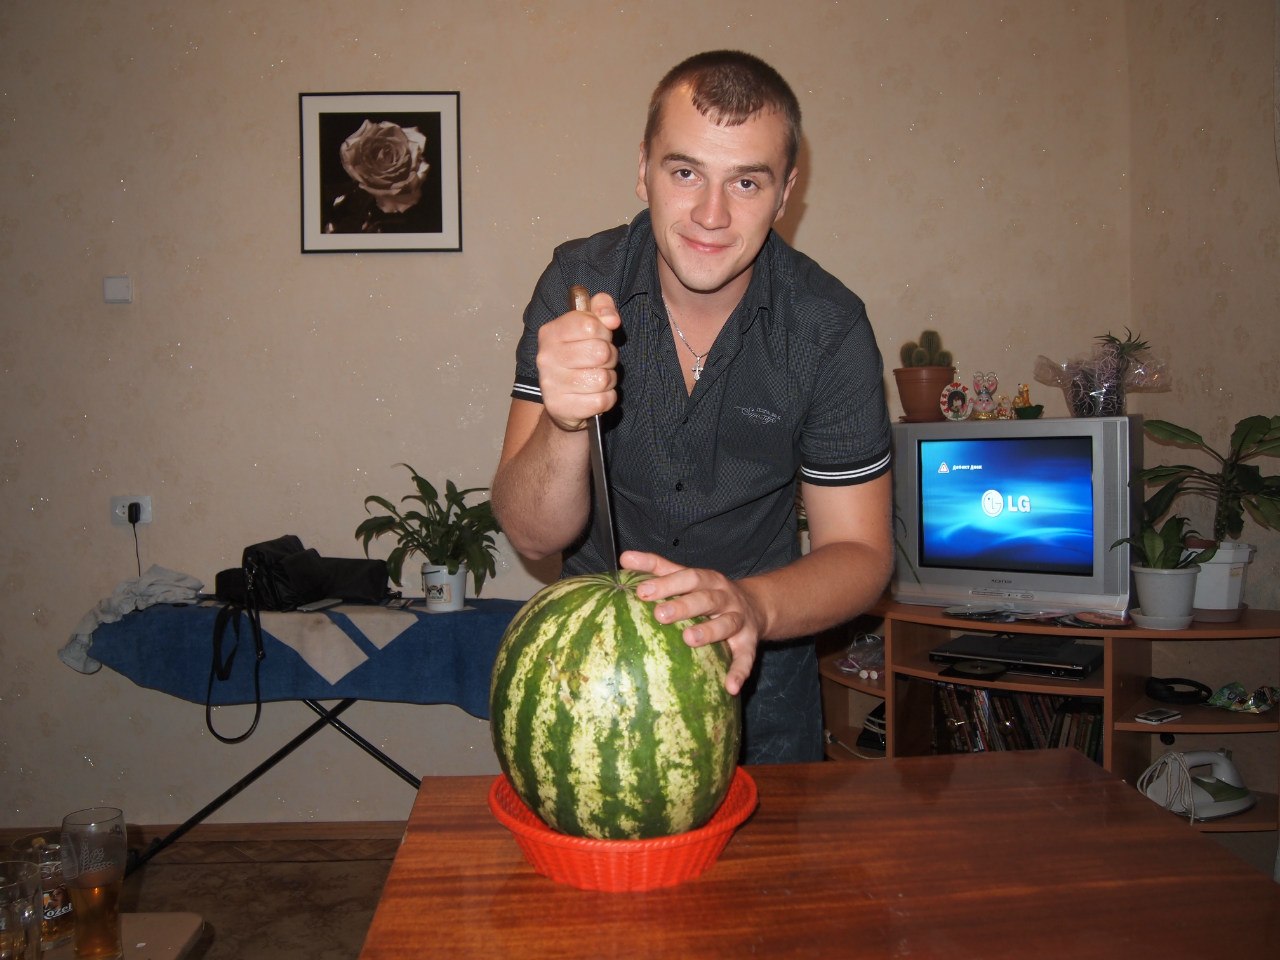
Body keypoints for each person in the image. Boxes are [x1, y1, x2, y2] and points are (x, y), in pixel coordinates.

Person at [492, 50, 893, 763]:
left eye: (746, 182)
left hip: (759, 672)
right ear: (642, 169)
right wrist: (564, 423)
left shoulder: (829, 329)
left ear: (786, 193)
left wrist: (752, 605)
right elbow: (531, 535)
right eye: (685, 173)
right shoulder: (577, 284)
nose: (711, 215)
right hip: (594, 676)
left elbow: (860, 554)